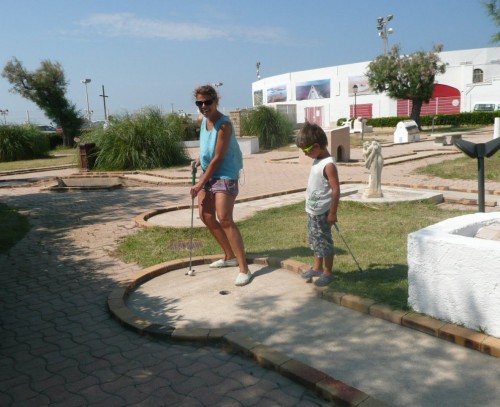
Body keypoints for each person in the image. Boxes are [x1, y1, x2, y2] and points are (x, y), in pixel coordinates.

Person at [190, 84, 252, 286]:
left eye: (207, 102)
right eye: (199, 103)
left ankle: (244, 268)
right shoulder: (202, 120)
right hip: (209, 173)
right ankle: (229, 256)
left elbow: (218, 158)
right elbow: (207, 148)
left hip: (225, 174)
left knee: (224, 217)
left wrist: (200, 184)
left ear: (216, 101)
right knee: (205, 215)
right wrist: (199, 158)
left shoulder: (224, 125)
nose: (203, 106)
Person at [295, 122, 340, 287]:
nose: (305, 154)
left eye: (306, 150)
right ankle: (317, 267)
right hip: (313, 211)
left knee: (325, 242)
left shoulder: (328, 164)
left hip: (323, 212)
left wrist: (333, 213)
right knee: (315, 240)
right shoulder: (317, 159)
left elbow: (336, 190)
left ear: (316, 146)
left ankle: (328, 272)